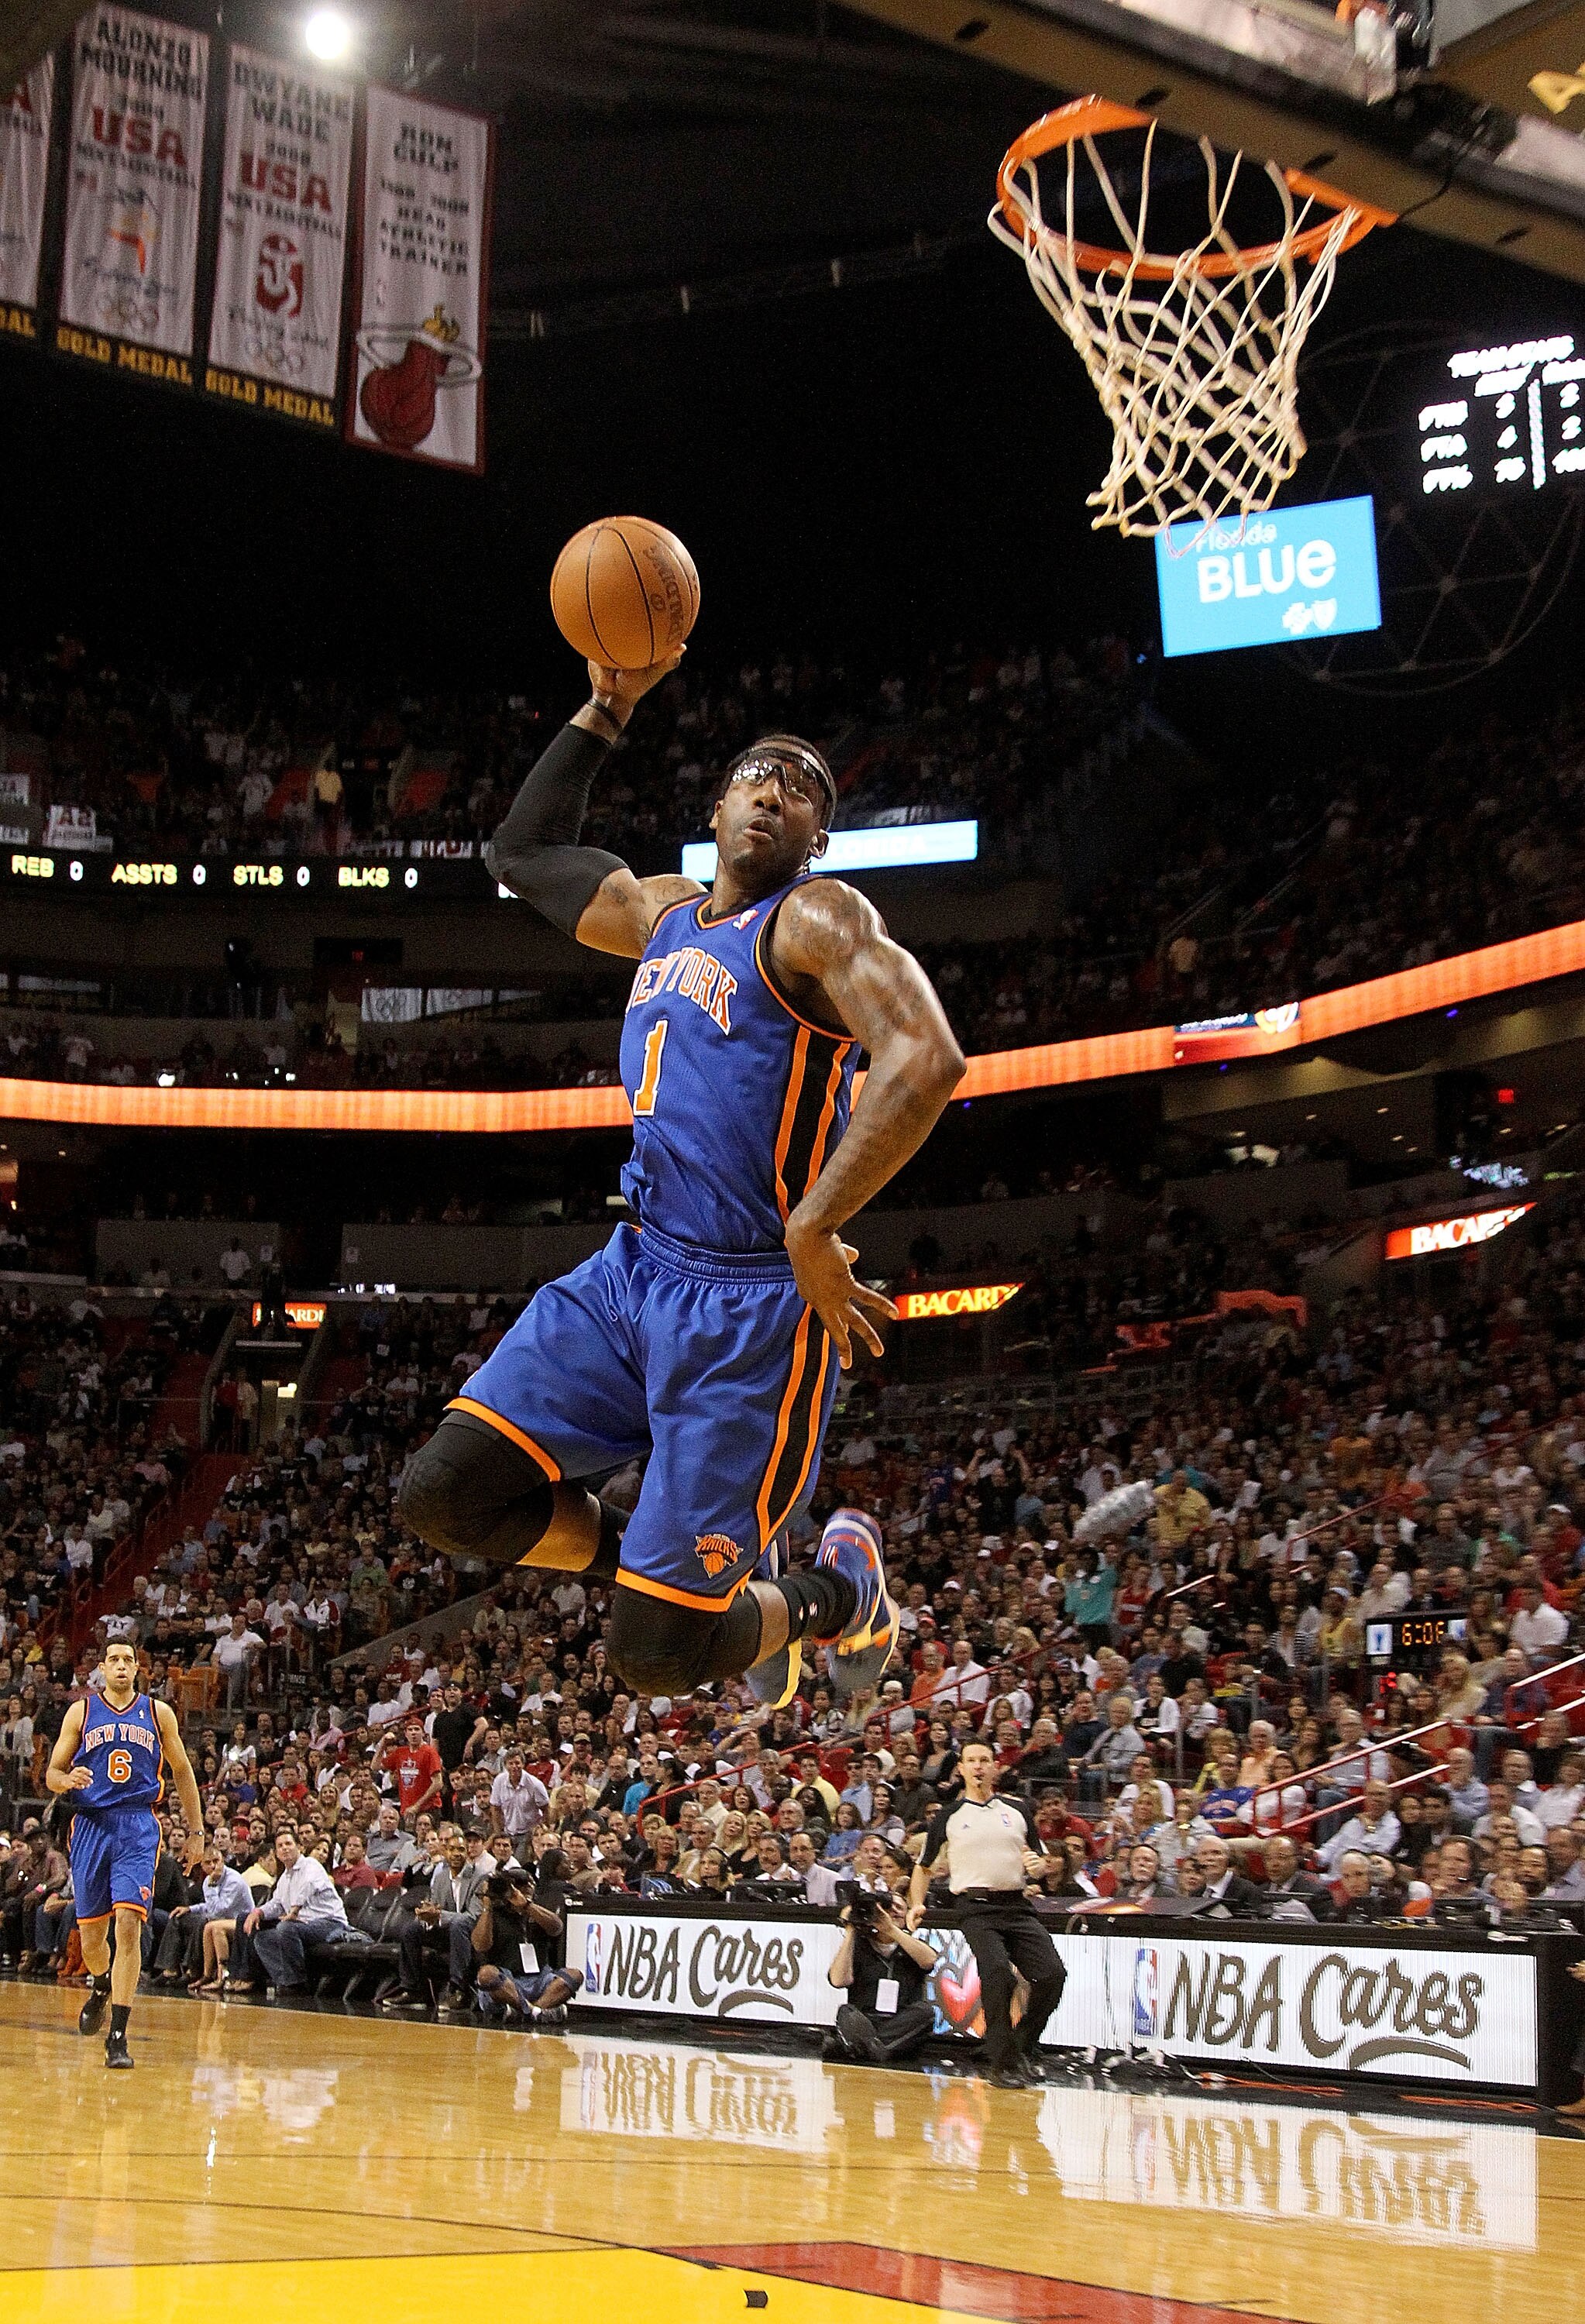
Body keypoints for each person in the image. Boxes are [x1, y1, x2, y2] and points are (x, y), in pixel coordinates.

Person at [396, 651, 964, 1721]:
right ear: (717, 802)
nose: (777, 791)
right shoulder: (656, 915)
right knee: (444, 1497)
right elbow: (521, 851)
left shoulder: (812, 921)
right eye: (759, 773)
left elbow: (926, 1059)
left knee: (654, 1660)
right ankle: (685, 1591)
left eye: (803, 788)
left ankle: (841, 1594)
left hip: (753, 1309)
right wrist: (607, 707)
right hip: (632, 1274)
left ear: (817, 840)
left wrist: (815, 1225)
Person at [45, 1640, 205, 2068]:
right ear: (102, 1668)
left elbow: (183, 1772)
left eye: (127, 1660)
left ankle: (118, 2035)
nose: (120, 1666)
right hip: (91, 1825)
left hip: (137, 1825)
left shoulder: (158, 1714)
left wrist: (196, 1831)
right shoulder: (80, 1712)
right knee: (93, 1938)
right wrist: (66, 1780)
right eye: (113, 1660)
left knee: (129, 1925)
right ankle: (101, 1983)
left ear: (138, 1669)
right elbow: (51, 1774)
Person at [908, 1739, 1066, 2089]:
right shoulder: (948, 1816)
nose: (979, 1767)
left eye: (985, 1760)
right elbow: (924, 1866)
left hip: (1016, 1905)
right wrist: (916, 1902)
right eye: (971, 1761)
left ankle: (1019, 2046)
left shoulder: (1019, 1810)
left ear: (995, 1767)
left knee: (1052, 1975)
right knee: (996, 1971)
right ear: (960, 1769)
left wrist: (1039, 1867)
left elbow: (1039, 1864)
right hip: (975, 1908)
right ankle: (1001, 2063)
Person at [824, 1883, 940, 2066]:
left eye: (899, 1908)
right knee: (846, 2012)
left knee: (925, 2011)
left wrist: (891, 1930)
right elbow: (838, 1980)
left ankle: (865, 2049)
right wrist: (851, 1930)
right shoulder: (859, 1946)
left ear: (907, 1915)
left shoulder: (911, 1946)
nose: (891, 1912)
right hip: (865, 2021)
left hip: (901, 2024)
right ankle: (878, 2050)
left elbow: (929, 1960)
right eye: (886, 1907)